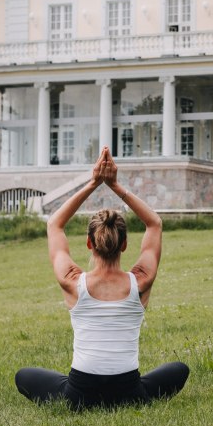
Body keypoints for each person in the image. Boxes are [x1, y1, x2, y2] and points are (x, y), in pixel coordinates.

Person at [15, 147, 189, 409]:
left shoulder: (72, 282)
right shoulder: (141, 281)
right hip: (130, 394)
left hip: (79, 396)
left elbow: (54, 224)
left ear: (89, 243)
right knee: (179, 369)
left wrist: (94, 183)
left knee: (23, 376)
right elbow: (154, 223)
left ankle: (81, 394)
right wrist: (116, 186)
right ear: (125, 245)